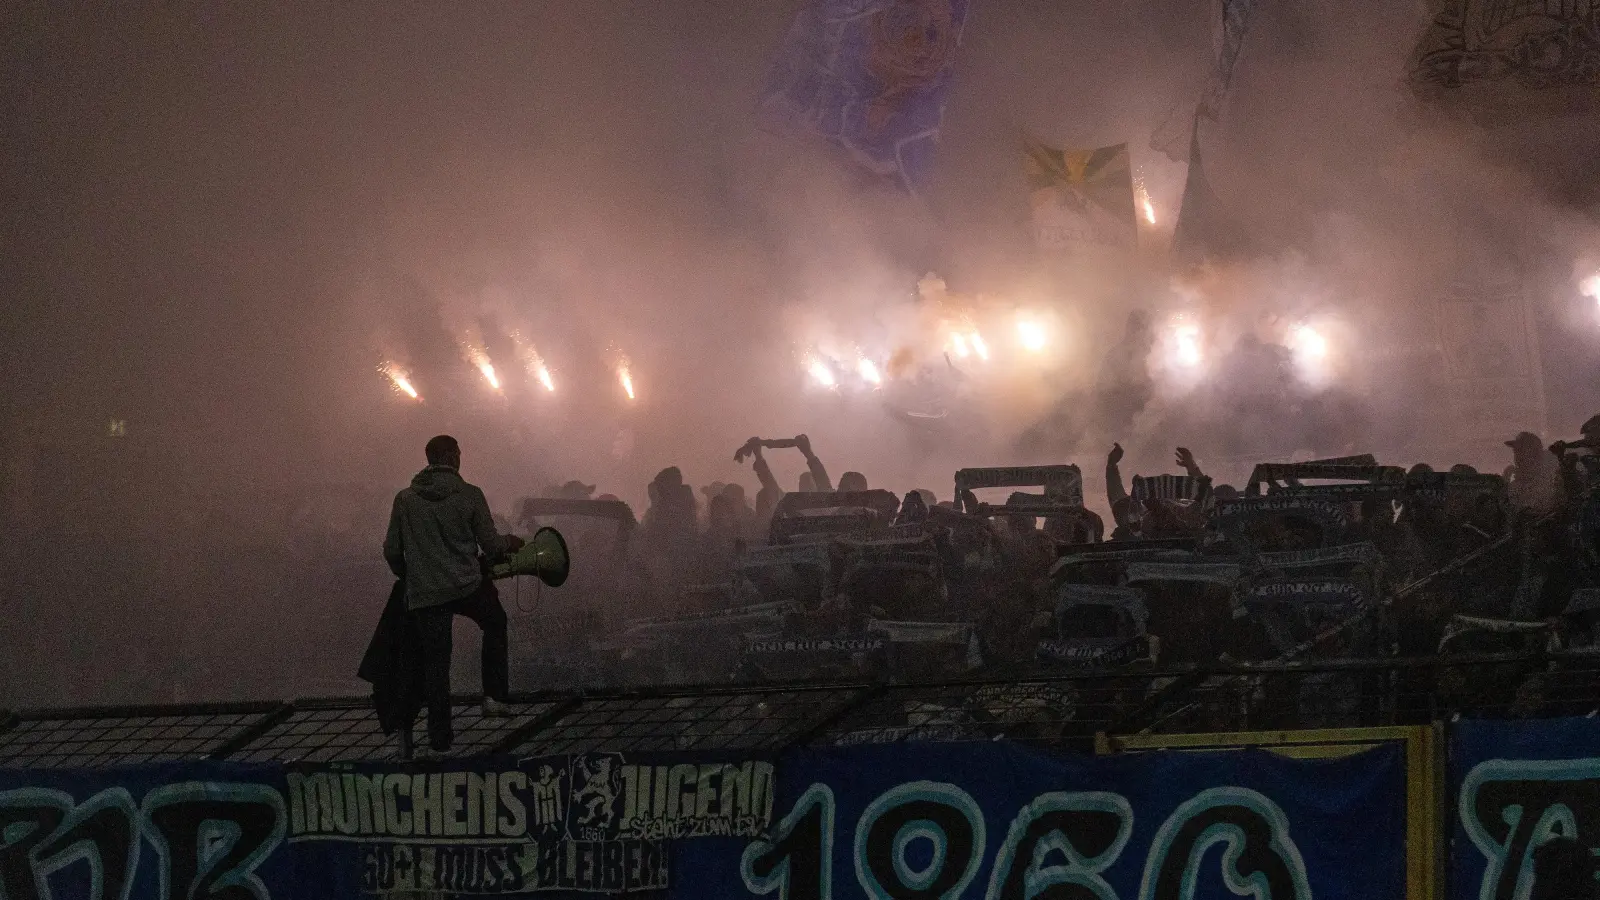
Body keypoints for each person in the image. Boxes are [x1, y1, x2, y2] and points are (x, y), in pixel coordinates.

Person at [383, 435, 525, 755]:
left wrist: (410, 576)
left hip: (426, 592)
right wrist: (511, 543)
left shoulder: (405, 500)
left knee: (436, 663)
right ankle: (493, 697)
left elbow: (392, 549)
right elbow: (490, 544)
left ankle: (440, 738)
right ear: (451, 457)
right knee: (495, 621)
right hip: (467, 585)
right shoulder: (470, 495)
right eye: (458, 453)